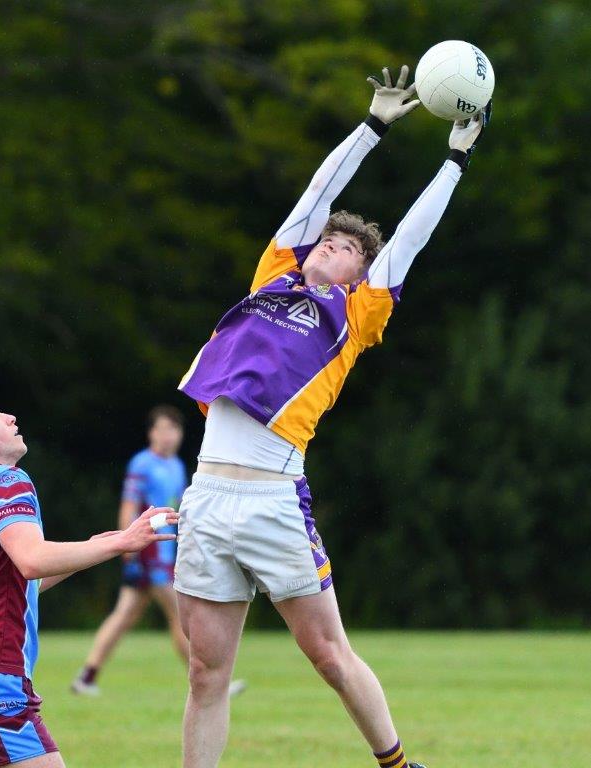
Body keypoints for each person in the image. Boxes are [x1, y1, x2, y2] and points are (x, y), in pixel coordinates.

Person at [174, 65, 491, 768]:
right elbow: (317, 195)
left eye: (348, 247)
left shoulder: (356, 312)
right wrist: (372, 125)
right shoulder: (270, 279)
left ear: (360, 273)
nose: (331, 244)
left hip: (270, 496)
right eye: (328, 240)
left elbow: (408, 237)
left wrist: (454, 159)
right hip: (205, 493)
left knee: (324, 653)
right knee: (204, 673)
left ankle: (396, 763)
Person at [0, 379, 177, 768]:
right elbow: (33, 560)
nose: (10, 416)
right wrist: (123, 543)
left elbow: (18, 579)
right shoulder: (6, 480)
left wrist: (100, 545)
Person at [71, 407, 245, 698]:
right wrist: (126, 543)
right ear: (151, 433)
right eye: (161, 429)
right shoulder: (142, 464)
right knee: (179, 616)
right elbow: (129, 504)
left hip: (165, 552)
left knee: (125, 615)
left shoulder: (176, 466)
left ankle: (87, 677)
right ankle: (214, 683)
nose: (167, 436)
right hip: (147, 551)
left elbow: (177, 509)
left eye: (173, 430)